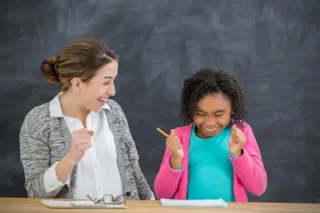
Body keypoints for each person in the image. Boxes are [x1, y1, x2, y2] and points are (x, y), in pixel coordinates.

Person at [19, 38, 154, 200]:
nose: (112, 91)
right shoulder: (38, 121)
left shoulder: (114, 112)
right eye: (106, 82)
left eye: (113, 81)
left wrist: (151, 205)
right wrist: (70, 159)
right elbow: (35, 192)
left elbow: (134, 172)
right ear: (77, 84)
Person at [154, 68, 267, 202]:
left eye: (219, 114)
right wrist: (175, 159)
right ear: (190, 110)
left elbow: (258, 187)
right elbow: (162, 194)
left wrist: (239, 154)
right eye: (201, 114)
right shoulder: (179, 137)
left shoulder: (241, 132)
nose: (210, 123)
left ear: (233, 109)